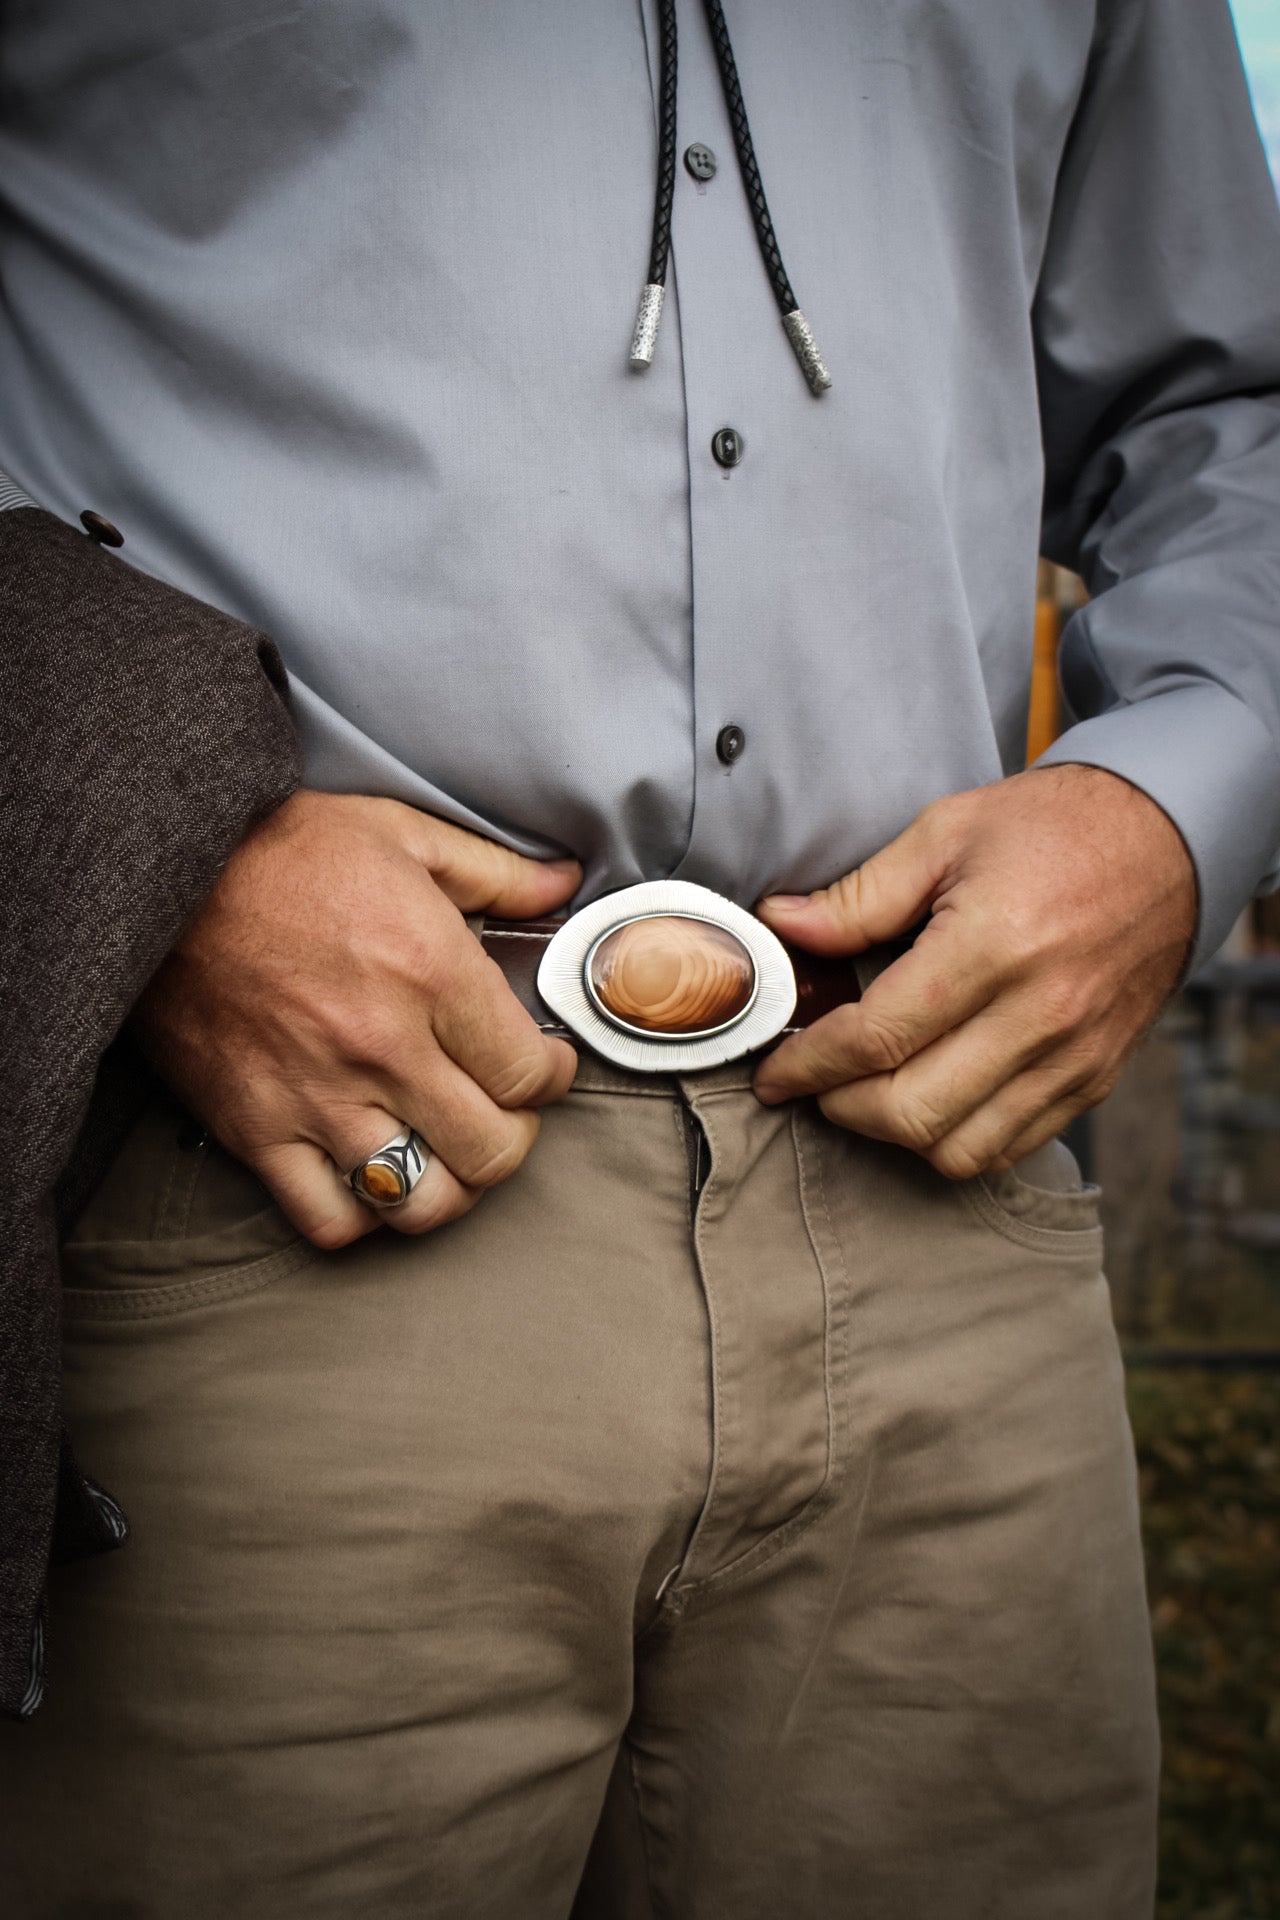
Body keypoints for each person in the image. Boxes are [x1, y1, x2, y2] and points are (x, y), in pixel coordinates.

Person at [1, 1, 1278, 1913]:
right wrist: (135, 806)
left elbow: (1227, 412)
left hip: (946, 1200)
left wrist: (1175, 806)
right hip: (277, 1185)